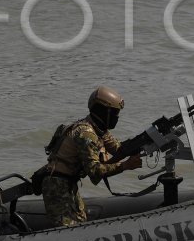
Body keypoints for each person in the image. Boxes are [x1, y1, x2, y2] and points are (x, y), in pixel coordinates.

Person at [40, 86, 142, 227]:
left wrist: (145, 144)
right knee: (67, 229)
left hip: (68, 184)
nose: (117, 117)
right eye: (115, 113)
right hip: (57, 186)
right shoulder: (86, 133)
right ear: (104, 111)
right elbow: (95, 171)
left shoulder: (98, 129)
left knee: (81, 223)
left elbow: (119, 149)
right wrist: (126, 165)